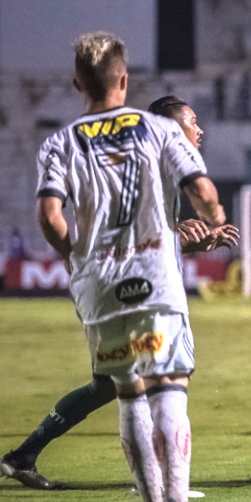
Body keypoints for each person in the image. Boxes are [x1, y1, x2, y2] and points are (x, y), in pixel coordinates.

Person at [0, 93, 236, 495]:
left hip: (122, 292)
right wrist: (174, 235)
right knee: (158, 382)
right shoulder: (145, 169)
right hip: (135, 297)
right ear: (168, 128)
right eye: (192, 121)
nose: (199, 129)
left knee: (108, 386)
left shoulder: (159, 171)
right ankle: (160, 480)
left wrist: (188, 244)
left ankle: (21, 457)